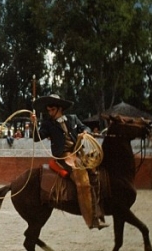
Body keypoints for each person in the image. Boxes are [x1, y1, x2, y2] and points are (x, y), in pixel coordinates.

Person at [31, 94, 108, 230]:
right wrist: (34, 124)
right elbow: (37, 138)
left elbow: (86, 128)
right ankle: (91, 219)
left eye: (52, 110)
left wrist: (84, 132)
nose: (50, 113)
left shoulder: (73, 119)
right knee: (82, 182)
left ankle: (99, 210)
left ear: (59, 108)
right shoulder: (48, 124)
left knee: (96, 173)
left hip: (78, 153)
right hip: (63, 156)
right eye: (48, 110)